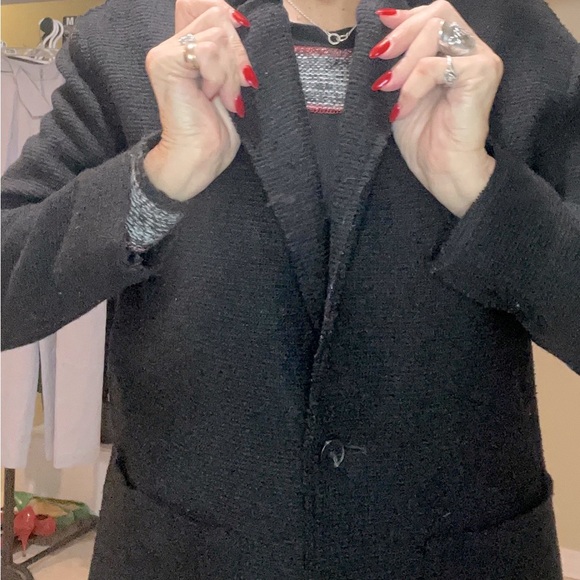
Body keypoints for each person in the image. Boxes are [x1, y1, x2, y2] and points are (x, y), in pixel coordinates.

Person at [2, 0, 578, 576]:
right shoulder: (131, 38)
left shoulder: (510, 38)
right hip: (186, 557)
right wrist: (156, 181)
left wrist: (481, 188)